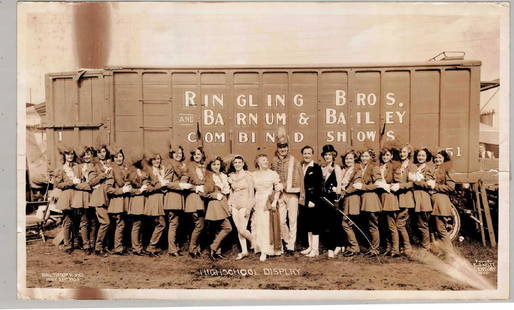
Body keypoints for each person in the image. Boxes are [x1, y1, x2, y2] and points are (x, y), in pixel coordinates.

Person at [270, 128, 303, 255]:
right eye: (280, 147)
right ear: (277, 148)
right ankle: (288, 240)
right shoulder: (273, 161)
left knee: (293, 220)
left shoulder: (295, 161)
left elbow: (298, 178)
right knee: (281, 221)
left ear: (288, 147)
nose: (283, 149)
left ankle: (291, 246)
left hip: (292, 194)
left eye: (285, 147)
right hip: (280, 195)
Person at [252, 154, 283, 262]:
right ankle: (260, 248)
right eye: (263, 160)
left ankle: (267, 250)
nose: (266, 161)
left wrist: (274, 201)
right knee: (259, 224)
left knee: (267, 225)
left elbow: (278, 188)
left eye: (266, 159)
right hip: (257, 201)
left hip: (268, 201)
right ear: (258, 163)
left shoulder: (272, 174)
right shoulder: (253, 175)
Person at [163, 144, 190, 257]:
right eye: (176, 153)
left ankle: (175, 248)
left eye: (180, 153)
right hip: (172, 198)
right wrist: (181, 185)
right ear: (172, 154)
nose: (178, 155)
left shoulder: (180, 165)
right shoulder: (170, 165)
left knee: (176, 224)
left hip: (178, 199)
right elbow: (166, 183)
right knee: (173, 224)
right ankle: (172, 250)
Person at [203, 157, 233, 260]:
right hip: (215, 203)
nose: (216, 166)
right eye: (214, 164)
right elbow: (204, 193)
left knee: (218, 229)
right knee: (227, 227)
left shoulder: (224, 176)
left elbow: (227, 191)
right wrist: (215, 195)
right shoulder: (209, 176)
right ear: (210, 166)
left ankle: (216, 252)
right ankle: (213, 247)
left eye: (218, 164)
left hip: (223, 202)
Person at [54, 144, 82, 254]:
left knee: (77, 220)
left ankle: (76, 242)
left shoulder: (77, 167)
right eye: (68, 154)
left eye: (71, 154)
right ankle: (67, 244)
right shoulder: (61, 169)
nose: (70, 156)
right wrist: (71, 183)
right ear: (64, 155)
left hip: (77, 195)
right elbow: (58, 184)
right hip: (66, 197)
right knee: (67, 221)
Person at [227, 155, 255, 260]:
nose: (237, 164)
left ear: (243, 163)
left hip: (244, 204)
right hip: (234, 205)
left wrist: (249, 208)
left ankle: (255, 242)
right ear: (233, 164)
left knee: (243, 229)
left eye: (239, 162)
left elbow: (252, 194)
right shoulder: (231, 176)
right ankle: (244, 251)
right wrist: (229, 205)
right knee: (239, 230)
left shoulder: (248, 175)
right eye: (235, 163)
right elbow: (231, 192)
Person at [356, 148, 383, 256]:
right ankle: (372, 247)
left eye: (366, 156)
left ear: (371, 157)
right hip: (365, 200)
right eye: (362, 156)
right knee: (369, 225)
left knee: (373, 225)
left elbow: (378, 184)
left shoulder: (374, 168)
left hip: (371, 199)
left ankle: (375, 249)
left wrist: (363, 187)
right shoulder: (362, 168)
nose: (364, 158)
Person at [319, 144, 344, 258]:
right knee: (326, 224)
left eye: (330, 154)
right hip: (323, 200)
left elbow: (339, 187)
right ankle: (337, 244)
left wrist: (336, 200)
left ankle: (332, 247)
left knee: (334, 224)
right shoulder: (322, 168)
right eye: (326, 155)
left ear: (333, 155)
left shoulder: (336, 168)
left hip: (333, 200)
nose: (328, 156)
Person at [392, 143, 417, 256]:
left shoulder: (411, 166)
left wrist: (400, 186)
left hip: (406, 199)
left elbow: (412, 183)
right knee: (400, 224)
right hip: (398, 199)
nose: (402, 154)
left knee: (400, 224)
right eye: (401, 152)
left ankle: (408, 248)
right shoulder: (399, 166)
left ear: (409, 154)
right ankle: (403, 247)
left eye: (404, 152)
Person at [299, 145, 323, 257]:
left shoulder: (316, 167)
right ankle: (310, 247)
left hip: (313, 200)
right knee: (307, 224)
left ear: (312, 154)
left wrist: (313, 200)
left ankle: (315, 249)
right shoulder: (300, 166)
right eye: (305, 153)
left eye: (309, 153)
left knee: (314, 225)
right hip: (303, 200)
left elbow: (319, 186)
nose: (306, 155)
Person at [106, 146, 131, 255]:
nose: (118, 159)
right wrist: (122, 190)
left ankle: (120, 246)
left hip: (125, 201)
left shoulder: (126, 168)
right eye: (116, 157)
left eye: (120, 156)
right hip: (117, 202)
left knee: (123, 224)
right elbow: (108, 189)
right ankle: (118, 247)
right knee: (120, 224)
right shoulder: (112, 170)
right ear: (113, 159)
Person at [73, 146, 97, 255]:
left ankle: (92, 243)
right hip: (82, 197)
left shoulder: (95, 166)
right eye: (84, 155)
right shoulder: (77, 167)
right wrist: (88, 186)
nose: (86, 157)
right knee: (84, 221)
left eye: (88, 154)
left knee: (93, 221)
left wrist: (88, 184)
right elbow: (76, 184)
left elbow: (95, 182)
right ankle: (86, 244)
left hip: (93, 196)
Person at [89, 144, 112, 256]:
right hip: (98, 198)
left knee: (106, 223)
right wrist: (104, 174)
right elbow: (91, 182)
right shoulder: (94, 166)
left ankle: (105, 246)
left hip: (107, 197)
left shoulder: (109, 164)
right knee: (105, 222)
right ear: (96, 154)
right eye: (99, 152)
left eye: (103, 151)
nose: (102, 154)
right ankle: (98, 248)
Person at [378, 144, 401, 257]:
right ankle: (388, 248)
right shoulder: (380, 166)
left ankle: (395, 249)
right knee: (384, 224)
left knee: (391, 224)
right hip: (381, 197)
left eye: (387, 155)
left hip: (389, 197)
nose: (385, 157)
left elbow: (397, 181)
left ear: (391, 156)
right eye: (383, 155)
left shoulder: (394, 167)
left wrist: (387, 185)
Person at [184, 147, 207, 258]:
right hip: (194, 199)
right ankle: (192, 249)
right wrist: (196, 187)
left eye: (199, 154)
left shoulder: (204, 166)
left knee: (200, 225)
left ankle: (196, 248)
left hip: (203, 199)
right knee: (199, 225)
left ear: (202, 155)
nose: (197, 156)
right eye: (195, 154)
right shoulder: (189, 167)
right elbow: (184, 184)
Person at [144, 151, 168, 255]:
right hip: (154, 200)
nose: (157, 161)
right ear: (151, 161)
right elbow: (147, 188)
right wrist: (160, 185)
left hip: (162, 199)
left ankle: (152, 246)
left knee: (158, 223)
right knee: (161, 224)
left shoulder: (162, 170)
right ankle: (151, 247)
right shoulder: (149, 171)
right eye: (154, 159)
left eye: (158, 159)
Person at [339, 149, 362, 257]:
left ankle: (354, 247)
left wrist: (345, 191)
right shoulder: (345, 170)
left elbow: (357, 186)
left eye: (350, 158)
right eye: (346, 158)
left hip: (353, 199)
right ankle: (352, 246)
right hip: (346, 200)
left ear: (354, 159)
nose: (348, 160)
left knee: (346, 223)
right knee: (348, 223)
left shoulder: (357, 170)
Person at [126, 151, 150, 256]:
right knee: (137, 224)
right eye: (138, 160)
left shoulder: (143, 171)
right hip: (136, 200)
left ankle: (139, 246)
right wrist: (139, 190)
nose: (140, 162)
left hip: (143, 200)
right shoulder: (131, 172)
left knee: (141, 224)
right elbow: (128, 188)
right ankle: (136, 248)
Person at [412, 147, 435, 250]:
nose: (420, 157)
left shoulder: (428, 169)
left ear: (427, 157)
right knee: (416, 224)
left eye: (423, 156)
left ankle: (426, 247)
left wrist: (417, 182)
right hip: (414, 198)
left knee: (423, 224)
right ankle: (422, 244)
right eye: (419, 155)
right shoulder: (414, 167)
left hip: (423, 199)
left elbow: (429, 185)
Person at [431, 149, 456, 246]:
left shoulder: (447, 169)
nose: (437, 159)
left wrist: (435, 187)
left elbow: (451, 187)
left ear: (444, 159)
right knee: (433, 228)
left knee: (441, 228)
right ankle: (439, 252)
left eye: (440, 158)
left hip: (441, 202)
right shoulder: (435, 169)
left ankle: (450, 255)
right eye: (436, 158)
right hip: (434, 202)